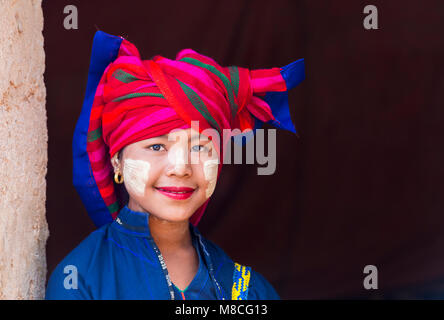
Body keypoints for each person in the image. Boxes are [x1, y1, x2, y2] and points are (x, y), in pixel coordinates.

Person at [45, 30, 305, 300]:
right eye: (157, 146)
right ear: (117, 162)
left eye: (199, 147)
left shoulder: (249, 291)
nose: (181, 168)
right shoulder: (80, 282)